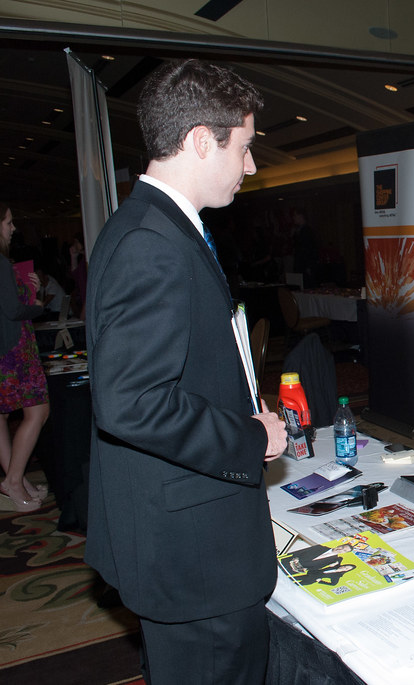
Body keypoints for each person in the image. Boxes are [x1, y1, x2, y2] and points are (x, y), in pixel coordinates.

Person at [85, 60, 288, 684]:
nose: (250, 166)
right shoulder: (153, 240)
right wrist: (250, 438)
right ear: (203, 140)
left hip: (182, 537)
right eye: (244, 147)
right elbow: (132, 402)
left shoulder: (159, 224)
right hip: (194, 555)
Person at [0, 203, 50, 511]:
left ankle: (16, 481)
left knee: (3, 416)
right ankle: (15, 480)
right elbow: (14, 311)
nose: (12, 228)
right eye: (8, 222)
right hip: (15, 350)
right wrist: (39, 304)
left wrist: (28, 288)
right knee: (39, 411)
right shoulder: (2, 263)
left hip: (6, 349)